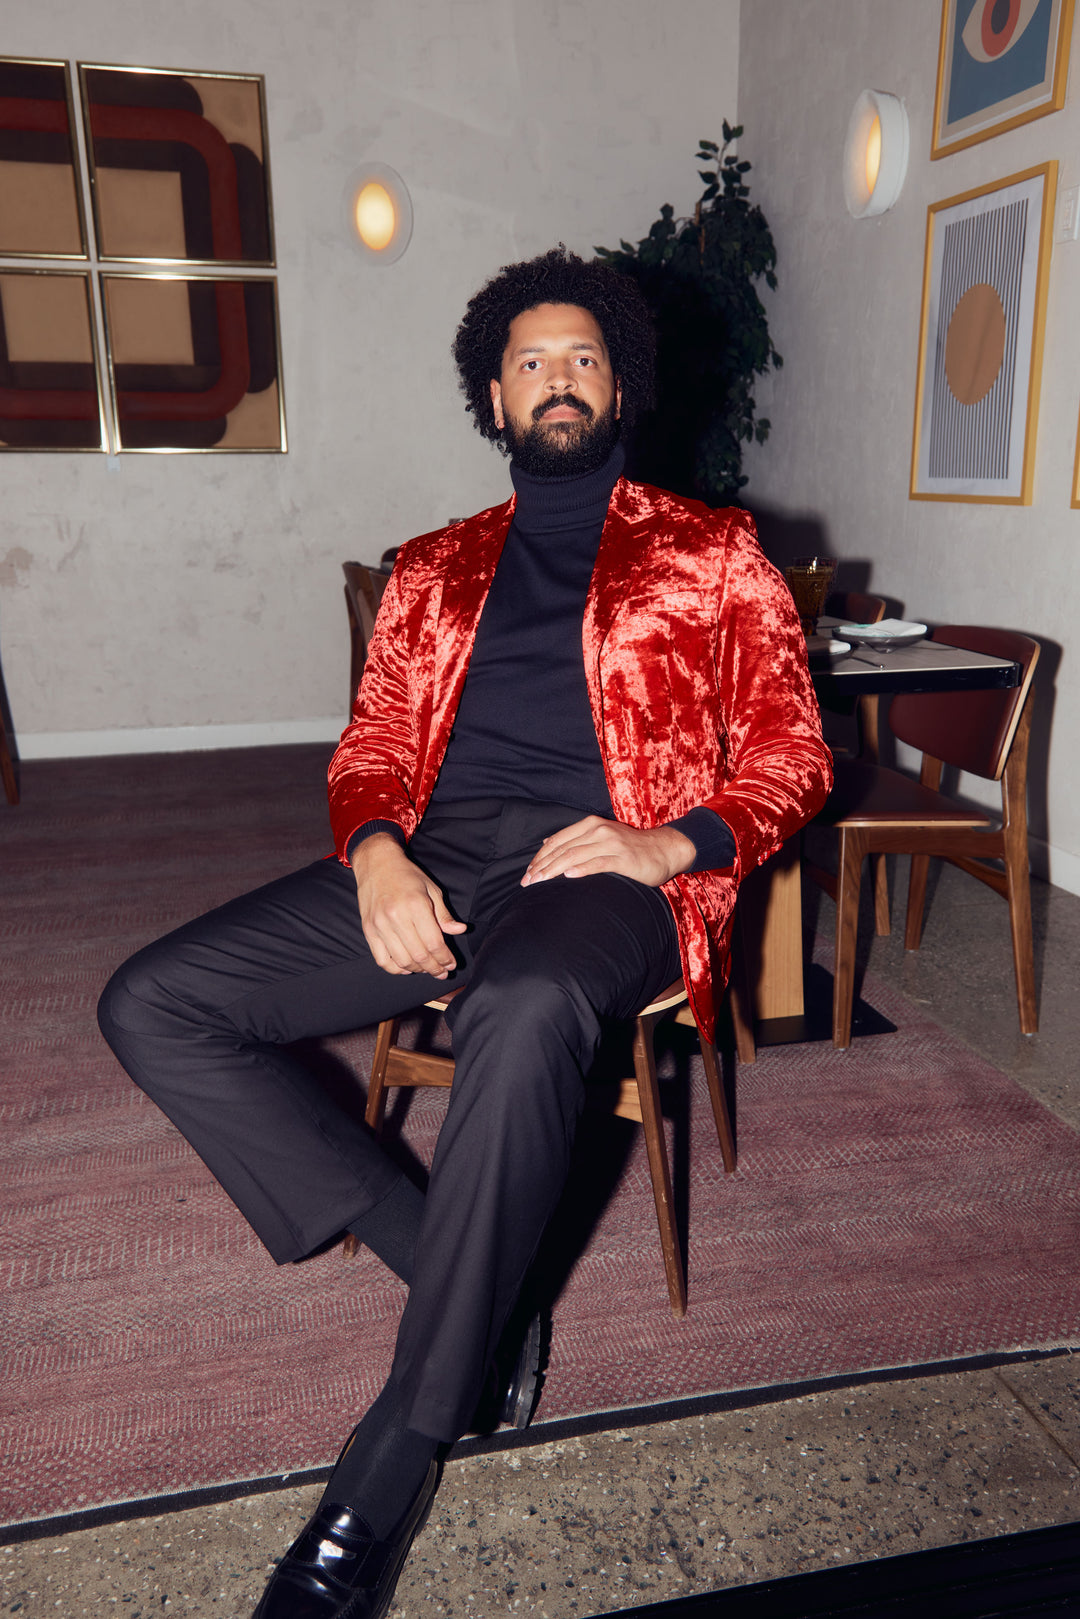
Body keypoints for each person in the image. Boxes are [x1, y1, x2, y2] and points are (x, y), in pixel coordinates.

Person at [98, 246, 832, 1619]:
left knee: (518, 1007)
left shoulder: (710, 550)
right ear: (494, 398)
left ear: (624, 386)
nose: (559, 380)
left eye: (584, 359)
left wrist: (665, 842)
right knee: (155, 1003)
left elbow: (795, 754)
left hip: (610, 871)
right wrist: (374, 846)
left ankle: (393, 1460)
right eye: (532, 362)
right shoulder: (431, 569)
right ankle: (474, 1284)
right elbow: (373, 744)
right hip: (439, 861)